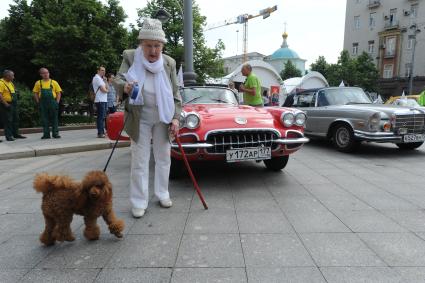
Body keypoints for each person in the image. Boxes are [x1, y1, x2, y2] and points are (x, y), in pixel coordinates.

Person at [113, 18, 182, 218]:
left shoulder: (169, 63)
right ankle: (139, 201)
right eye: (149, 45)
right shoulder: (130, 57)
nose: (153, 51)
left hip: (163, 116)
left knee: (163, 157)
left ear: (162, 46)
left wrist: (176, 118)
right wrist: (124, 87)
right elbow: (118, 79)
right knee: (139, 160)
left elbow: (176, 94)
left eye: (157, 46)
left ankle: (162, 193)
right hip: (139, 115)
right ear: (142, 44)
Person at [33, 68, 62, 139]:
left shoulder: (54, 82)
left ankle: (55, 134)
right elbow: (35, 93)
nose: (46, 74)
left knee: (54, 119)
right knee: (44, 119)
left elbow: (58, 93)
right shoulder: (38, 83)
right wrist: (38, 102)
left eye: (47, 72)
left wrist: (57, 102)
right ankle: (46, 134)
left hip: (53, 102)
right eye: (44, 73)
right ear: (41, 75)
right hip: (43, 103)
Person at [0, 70, 26, 141]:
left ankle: (16, 134)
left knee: (16, 119)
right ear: (7, 76)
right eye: (12, 75)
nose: (13, 77)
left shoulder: (10, 82)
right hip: (7, 104)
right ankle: (9, 136)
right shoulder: (1, 83)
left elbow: (13, 90)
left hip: (14, 104)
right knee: (8, 120)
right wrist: (5, 104)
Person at [92, 66, 109, 138]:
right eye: (102, 70)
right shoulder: (97, 78)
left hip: (103, 100)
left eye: (104, 70)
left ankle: (102, 132)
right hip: (100, 100)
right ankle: (100, 133)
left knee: (102, 117)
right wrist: (107, 90)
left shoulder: (101, 79)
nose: (103, 72)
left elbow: (107, 87)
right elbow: (103, 90)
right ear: (98, 71)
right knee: (100, 117)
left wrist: (105, 81)